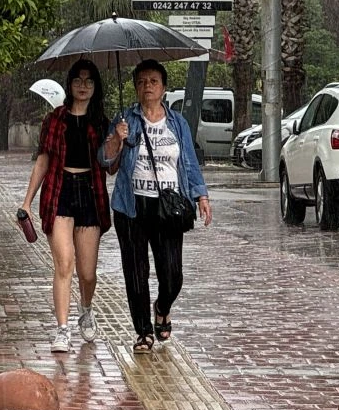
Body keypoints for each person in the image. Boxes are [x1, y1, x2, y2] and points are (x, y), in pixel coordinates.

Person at [100, 59, 212, 353]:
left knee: (172, 273)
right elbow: (106, 161)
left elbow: (188, 162)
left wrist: (201, 196)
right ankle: (143, 332)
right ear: (135, 87)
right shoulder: (125, 119)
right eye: (140, 82)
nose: (146, 86)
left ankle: (162, 307)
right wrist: (117, 138)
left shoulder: (177, 122)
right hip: (131, 207)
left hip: (169, 207)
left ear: (163, 87)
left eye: (152, 81)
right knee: (135, 271)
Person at [19, 58, 113, 353]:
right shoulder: (55, 119)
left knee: (87, 272)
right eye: (78, 81)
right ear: (69, 85)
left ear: (95, 87)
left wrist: (118, 140)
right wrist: (27, 201)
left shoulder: (102, 122)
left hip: (90, 193)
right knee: (64, 264)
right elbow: (43, 160)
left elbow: (110, 166)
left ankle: (86, 308)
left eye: (89, 81)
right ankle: (62, 329)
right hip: (59, 192)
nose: (83, 86)